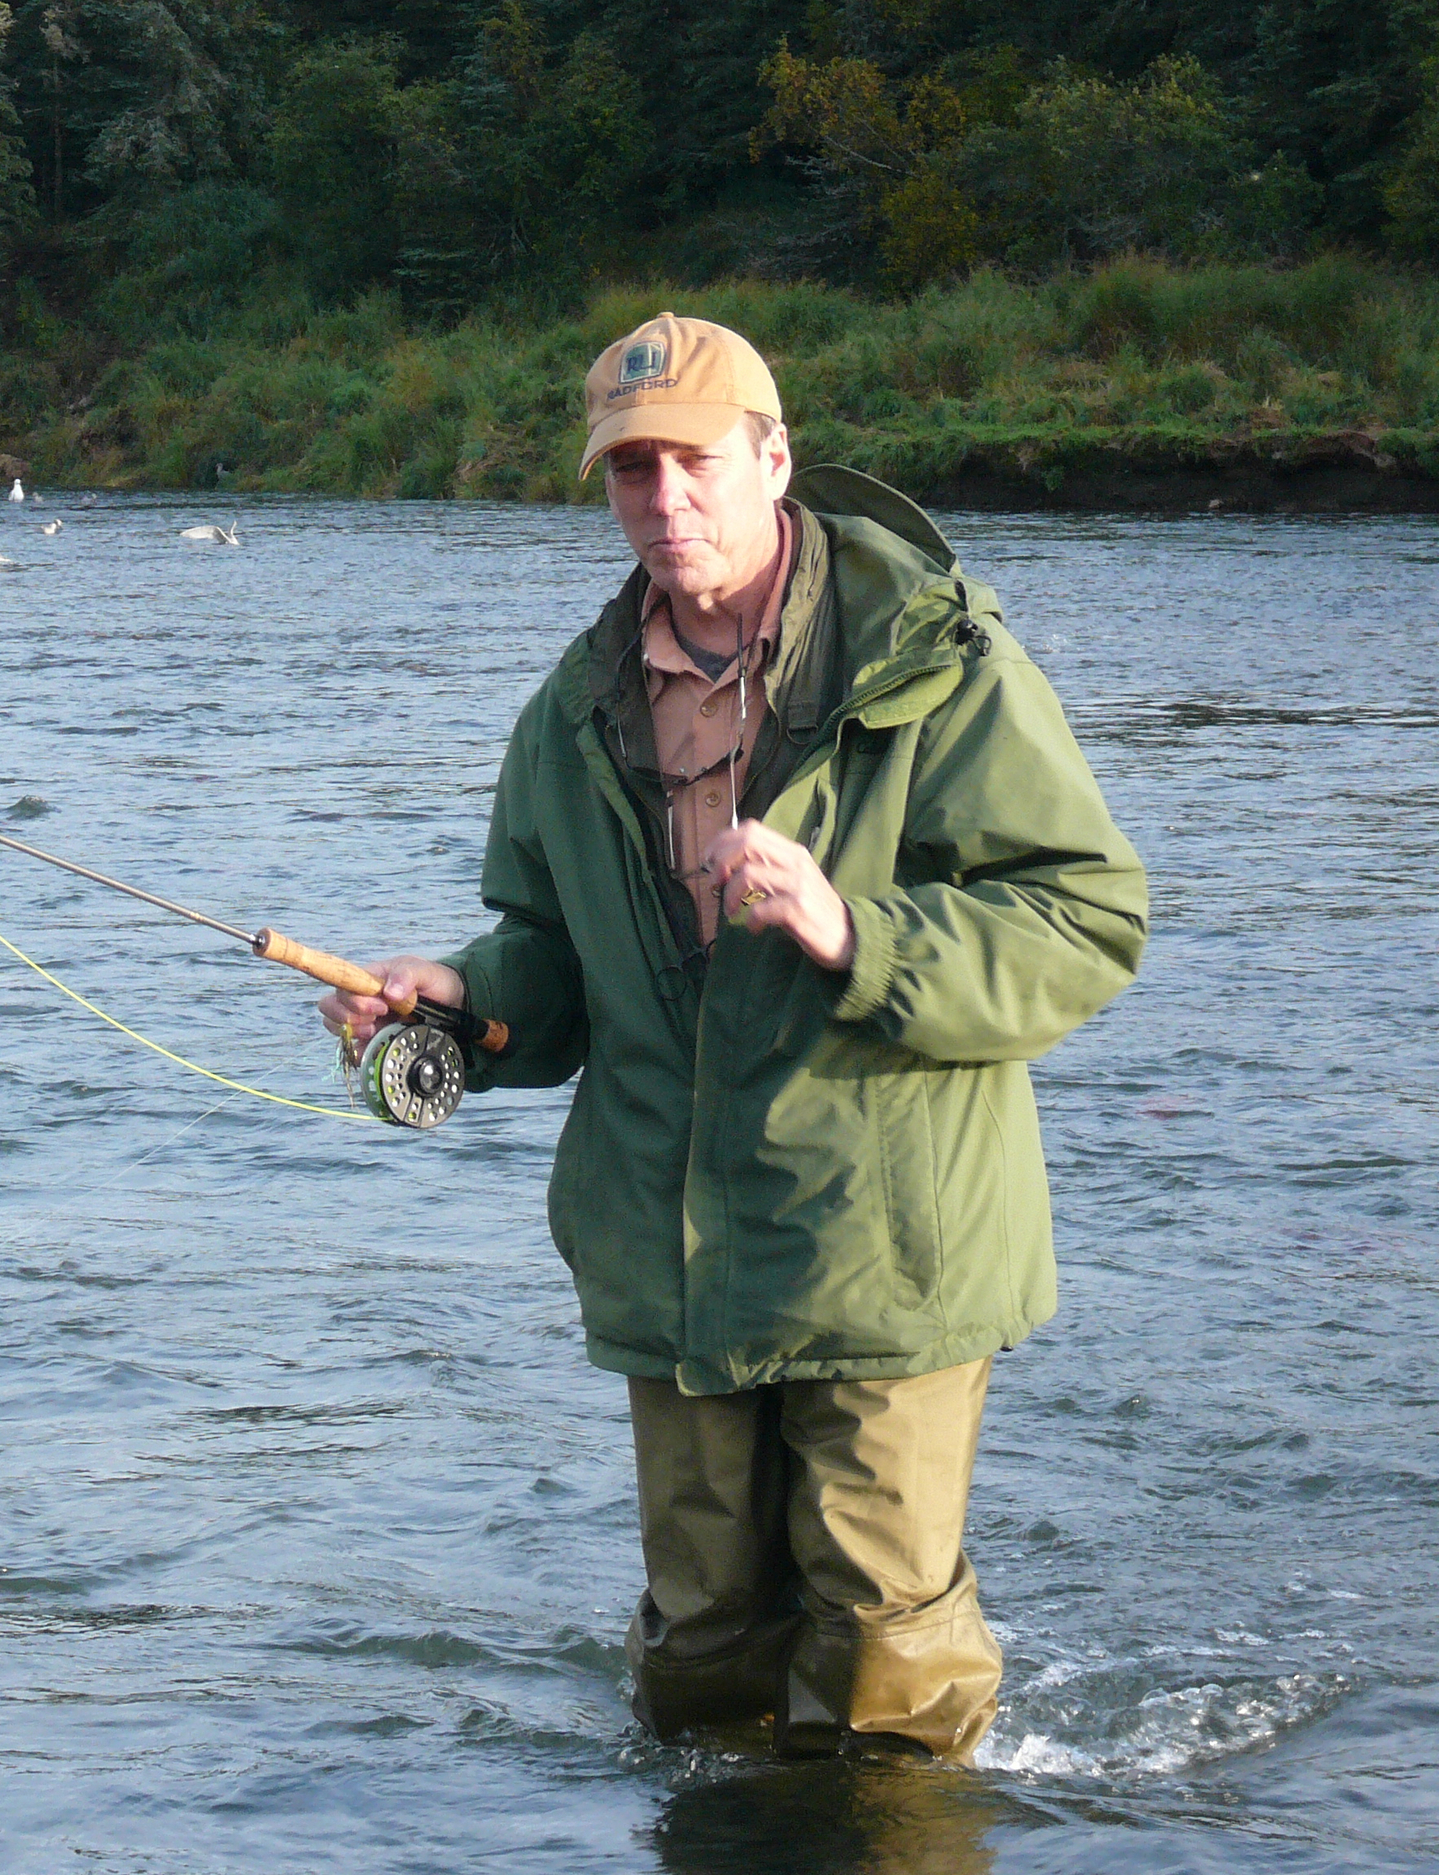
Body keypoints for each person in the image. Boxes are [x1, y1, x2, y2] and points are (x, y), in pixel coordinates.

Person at [318, 312, 1147, 1761]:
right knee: (701, 1664)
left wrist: (856, 934)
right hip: (668, 1247)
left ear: (772, 456)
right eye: (630, 472)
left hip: (889, 1242)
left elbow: (1086, 921)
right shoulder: (569, 713)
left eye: (692, 462)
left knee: (888, 1673)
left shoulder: (937, 663)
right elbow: (552, 963)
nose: (664, 501)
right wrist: (457, 1002)